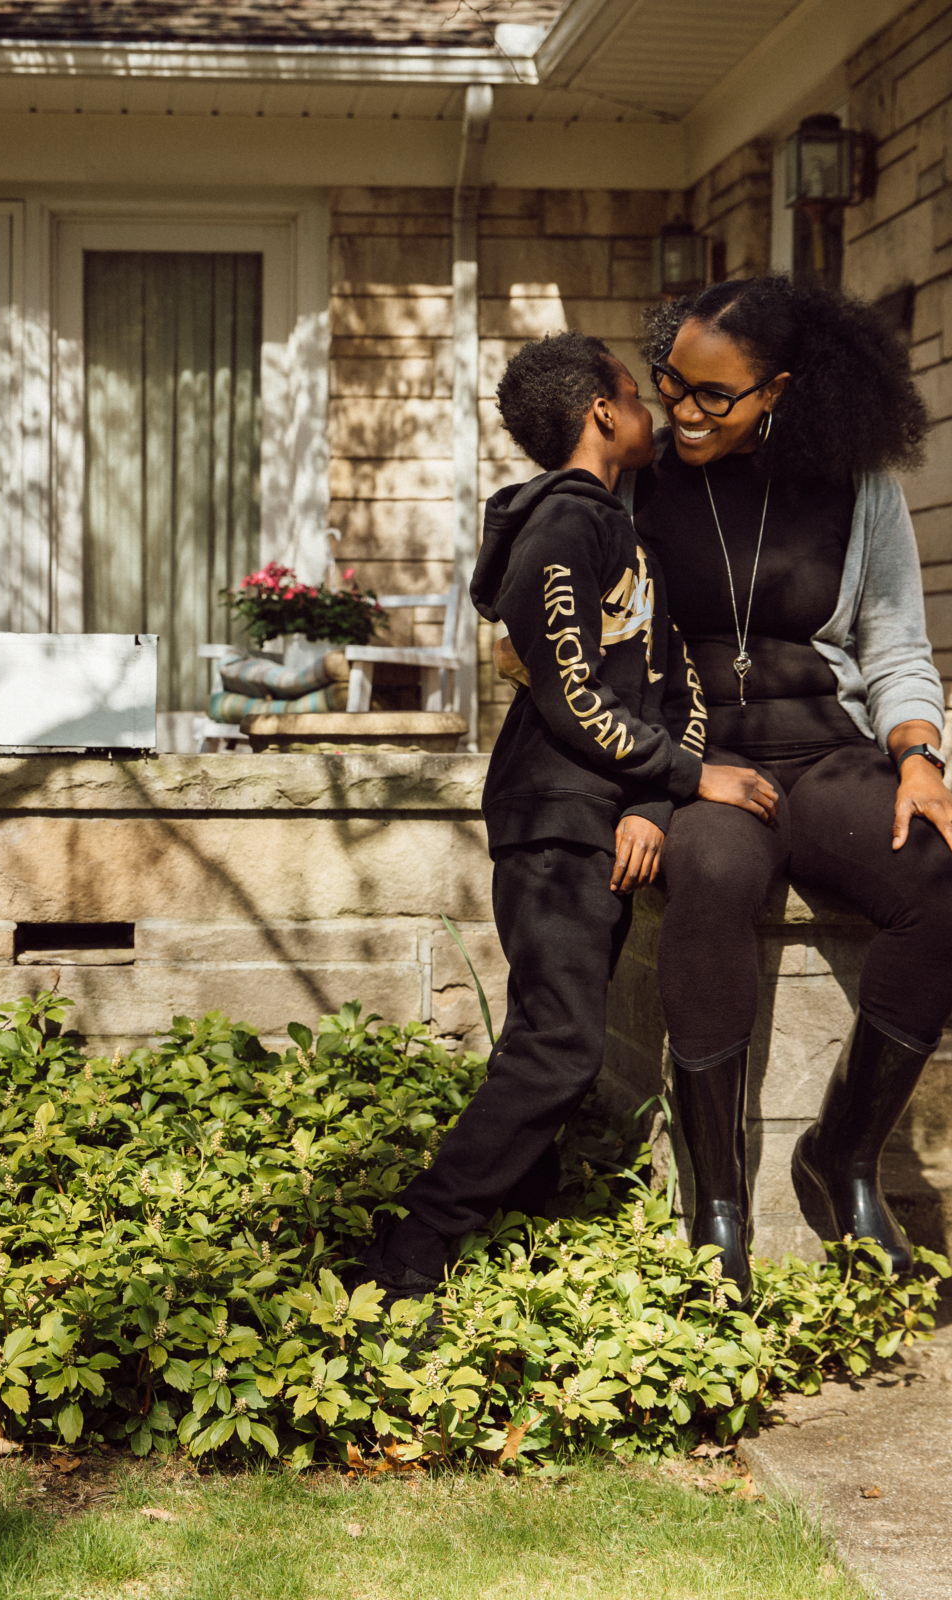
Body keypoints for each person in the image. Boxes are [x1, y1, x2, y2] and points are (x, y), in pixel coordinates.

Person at [347, 331, 759, 1303]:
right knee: (562, 1042)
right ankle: (414, 1245)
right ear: (601, 413)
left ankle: (521, 1231)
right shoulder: (561, 530)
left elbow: (672, 686)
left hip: (604, 819)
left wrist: (656, 797)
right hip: (551, 820)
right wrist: (693, 782)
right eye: (636, 390)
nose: (655, 408)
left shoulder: (626, 535)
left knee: (548, 1033)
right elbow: (574, 694)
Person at [635, 276, 952, 1291]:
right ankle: (717, 1206)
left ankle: (844, 1152)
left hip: (826, 748)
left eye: (716, 395)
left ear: (779, 389)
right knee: (707, 875)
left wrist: (919, 762)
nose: (686, 412)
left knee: (949, 874)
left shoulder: (856, 484)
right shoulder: (639, 481)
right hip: (702, 760)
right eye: (673, 384)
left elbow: (895, 644)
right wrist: (661, 776)